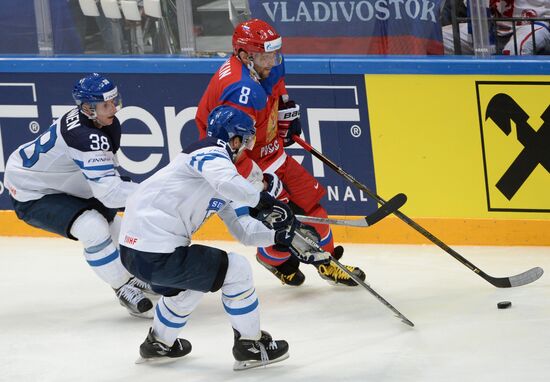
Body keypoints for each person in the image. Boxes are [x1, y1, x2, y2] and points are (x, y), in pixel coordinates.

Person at [118, 105, 330, 369]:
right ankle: (251, 346)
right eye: (246, 140)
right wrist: (263, 201)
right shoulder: (209, 152)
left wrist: (279, 236)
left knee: (192, 284)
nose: (248, 148)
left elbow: (244, 231)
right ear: (234, 138)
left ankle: (159, 343)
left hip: (134, 253)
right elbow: (228, 183)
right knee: (237, 269)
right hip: (154, 250)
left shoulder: (223, 177)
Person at [195, 18, 366, 287]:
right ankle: (272, 258)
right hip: (250, 164)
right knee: (283, 223)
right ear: (244, 55)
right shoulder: (240, 91)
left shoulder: (267, 65)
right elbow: (231, 151)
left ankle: (328, 262)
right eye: (265, 56)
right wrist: (259, 184)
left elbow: (277, 87)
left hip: (273, 153)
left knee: (311, 208)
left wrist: (285, 110)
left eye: (275, 53)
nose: (273, 61)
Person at [3, 73, 153, 318]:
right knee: (92, 227)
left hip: (62, 179)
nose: (113, 108)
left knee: (115, 223)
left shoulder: (106, 122)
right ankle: (122, 286)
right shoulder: (84, 136)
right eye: (106, 104)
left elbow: (108, 186)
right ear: (87, 108)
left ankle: (134, 277)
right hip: (30, 189)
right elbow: (112, 195)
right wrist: (155, 192)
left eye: (114, 101)